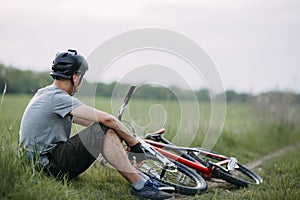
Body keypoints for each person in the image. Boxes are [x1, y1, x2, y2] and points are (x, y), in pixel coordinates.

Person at [18, 49, 174, 200]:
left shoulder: (45, 93)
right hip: (48, 167)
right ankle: (140, 186)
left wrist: (120, 134)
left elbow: (92, 121)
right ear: (75, 77)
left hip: (34, 165)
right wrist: (134, 144)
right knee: (104, 127)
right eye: (82, 76)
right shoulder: (59, 98)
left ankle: (138, 180)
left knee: (104, 128)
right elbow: (107, 120)